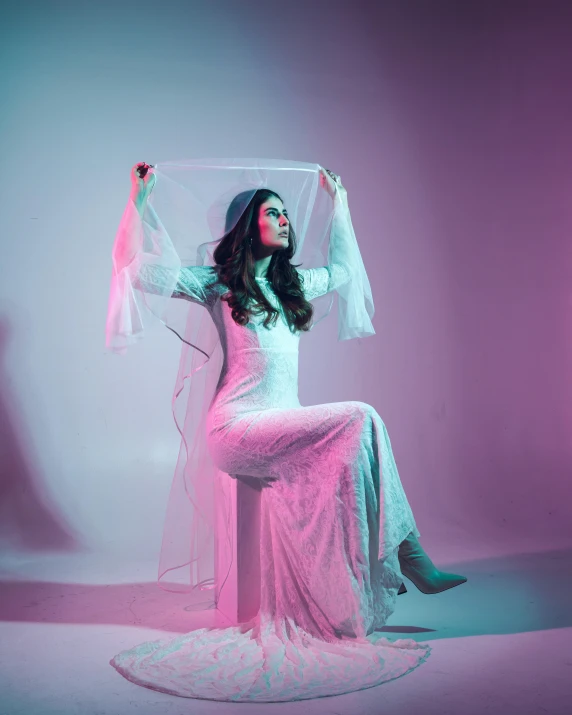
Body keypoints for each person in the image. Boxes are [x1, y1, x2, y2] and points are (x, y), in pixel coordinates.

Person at [107, 161, 466, 702]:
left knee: (356, 437)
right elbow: (143, 273)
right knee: (363, 416)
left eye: (285, 213)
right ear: (248, 224)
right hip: (238, 428)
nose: (284, 220)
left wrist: (339, 203)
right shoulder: (220, 284)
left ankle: (379, 572)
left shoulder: (295, 284)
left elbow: (344, 270)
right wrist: (140, 200)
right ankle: (410, 556)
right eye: (272, 212)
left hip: (282, 423)